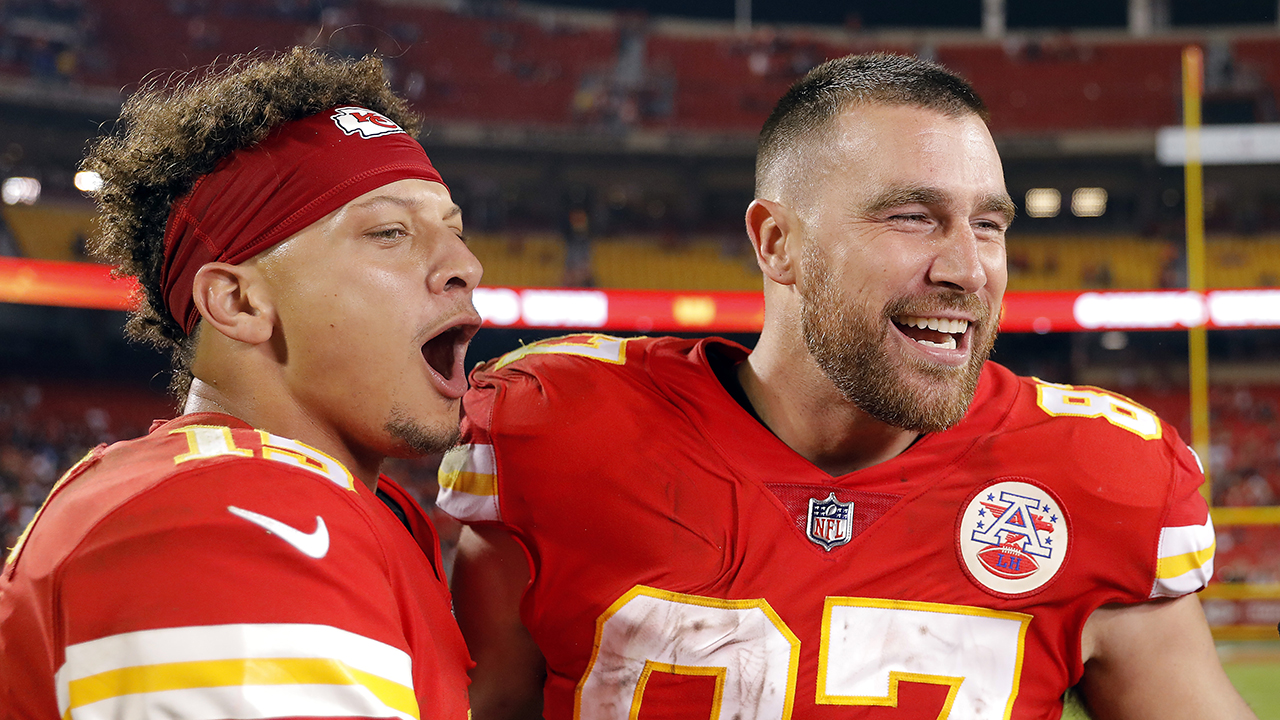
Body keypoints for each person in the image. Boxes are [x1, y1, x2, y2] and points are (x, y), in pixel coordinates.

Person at [437, 54, 1257, 720]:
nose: (968, 268)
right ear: (777, 243)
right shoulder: (561, 434)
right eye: (912, 218)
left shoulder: (1098, 476)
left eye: (989, 224)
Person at [0, 47, 482, 719]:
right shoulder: (229, 518)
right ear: (240, 303)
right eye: (390, 232)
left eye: (454, 232)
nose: (465, 265)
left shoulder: (335, 507)